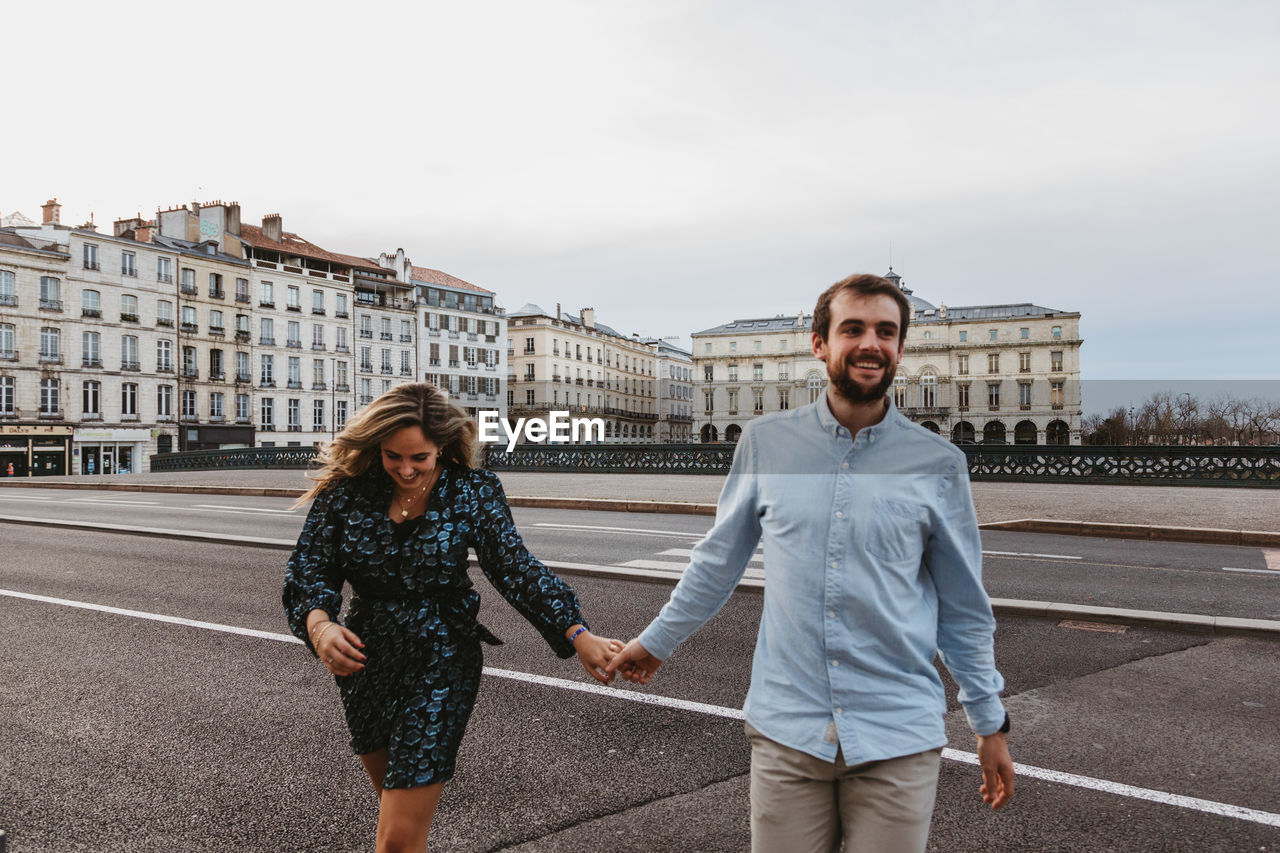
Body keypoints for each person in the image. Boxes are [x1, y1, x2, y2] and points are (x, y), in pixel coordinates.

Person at [607, 273, 1015, 853]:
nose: (870, 343)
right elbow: (718, 562)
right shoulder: (766, 444)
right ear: (820, 344)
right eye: (853, 329)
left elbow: (963, 608)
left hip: (896, 732)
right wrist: (656, 641)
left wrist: (988, 721)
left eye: (886, 331)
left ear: (900, 348)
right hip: (788, 729)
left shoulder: (939, 463)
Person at [284, 383, 622, 853]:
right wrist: (320, 627)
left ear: (442, 445)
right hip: (364, 663)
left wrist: (576, 631)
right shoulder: (346, 493)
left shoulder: (473, 491)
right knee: (396, 816)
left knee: (397, 838)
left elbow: (514, 567)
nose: (405, 469)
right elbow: (309, 569)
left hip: (442, 657)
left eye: (418, 458)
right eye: (392, 456)